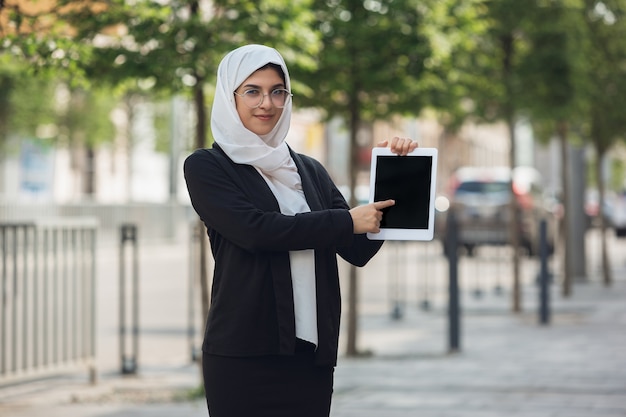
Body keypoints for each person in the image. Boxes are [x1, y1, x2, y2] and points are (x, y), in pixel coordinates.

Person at [183, 44, 418, 417]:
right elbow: (256, 231)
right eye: (253, 91)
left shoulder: (308, 170)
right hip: (243, 355)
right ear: (230, 97)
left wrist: (393, 172)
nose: (267, 103)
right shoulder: (208, 166)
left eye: (278, 91)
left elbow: (357, 249)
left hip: (310, 356)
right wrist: (344, 221)